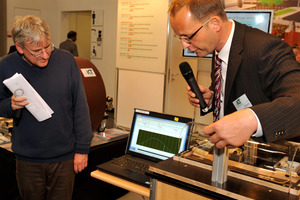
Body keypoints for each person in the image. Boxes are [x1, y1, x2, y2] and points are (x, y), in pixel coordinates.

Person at [169, 0, 300, 149]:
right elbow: (236, 87)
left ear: (215, 24)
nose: (184, 45)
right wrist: (214, 97)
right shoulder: (218, 48)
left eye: (188, 37)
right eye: (180, 38)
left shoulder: (266, 48)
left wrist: (251, 120)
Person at [0, 15, 93, 200]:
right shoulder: (5, 65)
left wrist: (82, 149)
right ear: (20, 48)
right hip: (28, 160)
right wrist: (9, 105)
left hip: (64, 158)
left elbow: (80, 106)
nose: (45, 55)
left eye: (47, 46)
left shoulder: (67, 61)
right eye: (36, 51)